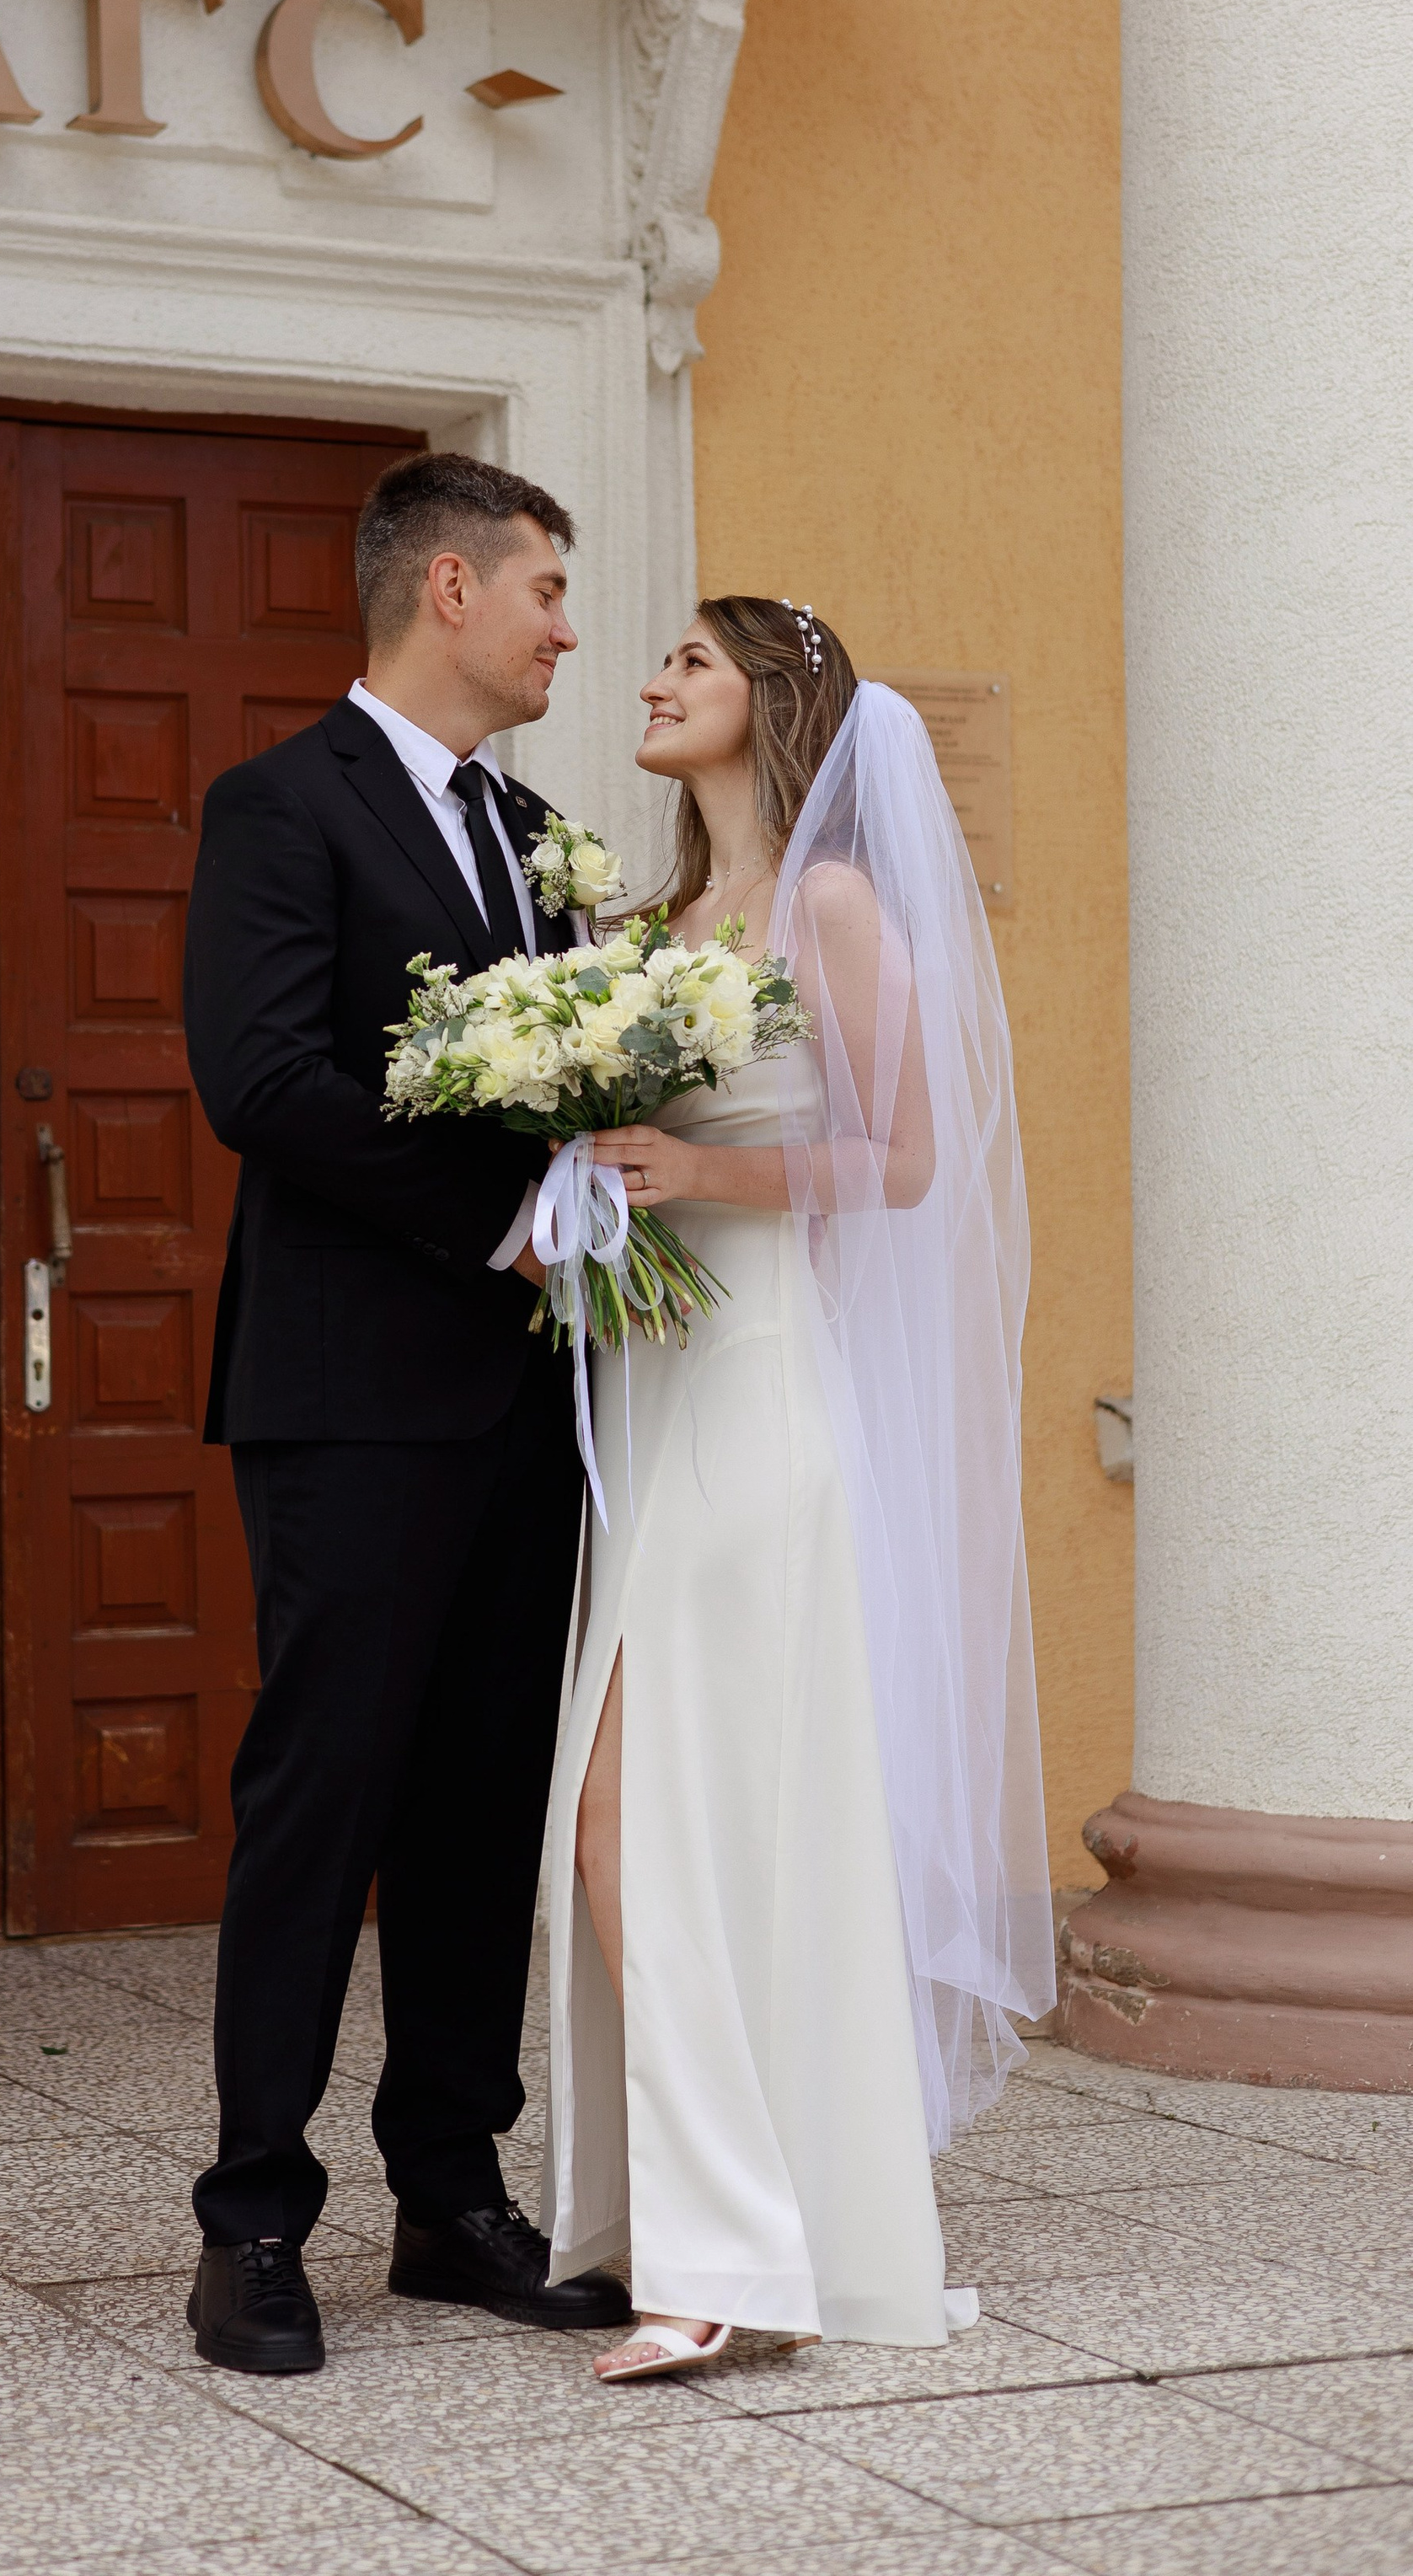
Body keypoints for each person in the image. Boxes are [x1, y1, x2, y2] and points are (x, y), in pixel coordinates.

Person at [542, 599, 1055, 2378]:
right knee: (633, 1829)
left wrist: (695, 1167)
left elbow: (906, 1161)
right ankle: (721, 2230)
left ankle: (729, 2256)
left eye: (685, 659)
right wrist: (585, 1212)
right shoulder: (655, 923)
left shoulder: (823, 905)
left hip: (762, 1398)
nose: (649, 680)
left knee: (640, 1828)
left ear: (766, 701)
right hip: (657, 1390)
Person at [180, 452, 633, 2376]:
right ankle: (251, 2221)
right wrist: (509, 1215)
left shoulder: (543, 840)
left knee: (472, 1812)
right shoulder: (280, 805)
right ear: (445, 588)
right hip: (350, 1398)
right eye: (542, 584)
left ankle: (448, 2195)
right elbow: (260, 1077)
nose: (563, 623)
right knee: (322, 1800)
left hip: (531, 1407)